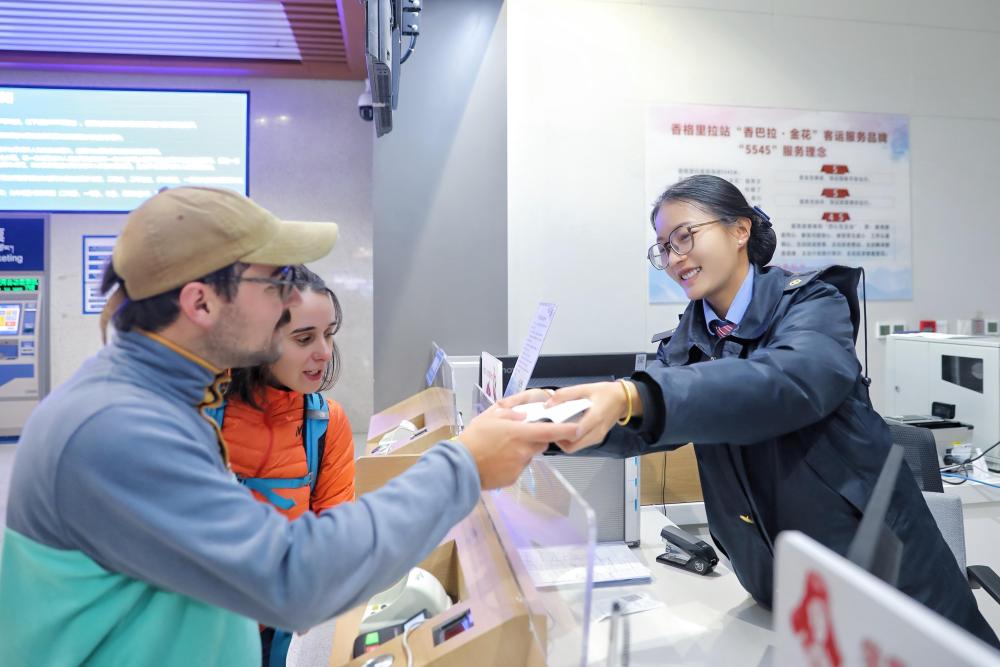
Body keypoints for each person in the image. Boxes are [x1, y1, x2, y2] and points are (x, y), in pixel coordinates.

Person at [0, 187, 580, 665]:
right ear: (200, 303)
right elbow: (293, 577)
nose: (287, 306)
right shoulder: (116, 428)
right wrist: (465, 465)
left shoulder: (168, 401)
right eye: (275, 283)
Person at [501, 174, 1000, 647]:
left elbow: (787, 383)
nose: (674, 259)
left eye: (684, 237)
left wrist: (636, 395)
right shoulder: (690, 335)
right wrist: (544, 424)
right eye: (664, 248)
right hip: (774, 579)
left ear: (740, 230)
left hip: (875, 566)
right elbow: (643, 426)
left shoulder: (812, 305)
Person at [207, 265, 355, 665]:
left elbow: (334, 530)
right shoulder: (201, 415)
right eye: (304, 338)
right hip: (203, 625)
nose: (323, 352)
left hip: (282, 628)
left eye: (328, 334)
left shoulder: (325, 422)